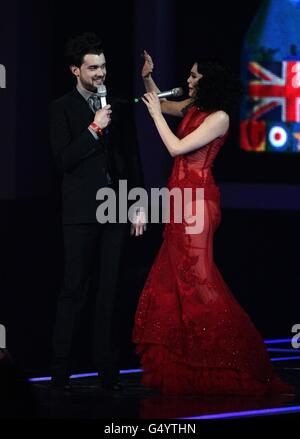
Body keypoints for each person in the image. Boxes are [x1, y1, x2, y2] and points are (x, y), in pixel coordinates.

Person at [132, 51, 293, 395]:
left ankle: (234, 359)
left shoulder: (219, 118)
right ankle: (190, 362)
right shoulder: (194, 108)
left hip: (198, 204)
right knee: (174, 283)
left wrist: (152, 114)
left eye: (193, 76)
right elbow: (163, 106)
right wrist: (148, 78)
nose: (188, 81)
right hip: (179, 202)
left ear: (208, 81)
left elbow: (176, 147)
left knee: (200, 285)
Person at [50, 33, 145, 391]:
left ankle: (108, 370)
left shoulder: (116, 106)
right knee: (74, 290)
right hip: (79, 213)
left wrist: (138, 204)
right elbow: (63, 160)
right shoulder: (60, 108)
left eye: (103, 66)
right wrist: (93, 129)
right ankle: (60, 370)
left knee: (111, 291)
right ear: (76, 70)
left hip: (116, 210)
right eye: (93, 68)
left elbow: (131, 158)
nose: (100, 73)